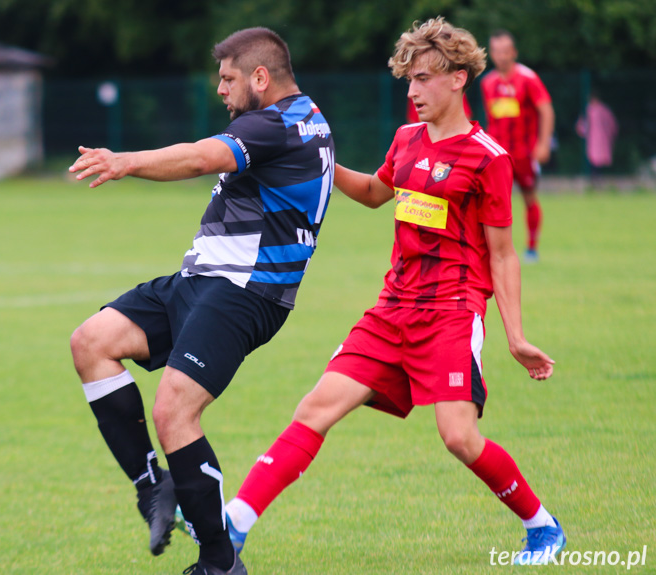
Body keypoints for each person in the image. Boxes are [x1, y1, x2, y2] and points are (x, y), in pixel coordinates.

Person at [221, 17, 567, 568]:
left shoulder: (488, 158)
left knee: (458, 437)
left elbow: (503, 254)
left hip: (452, 310)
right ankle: (234, 524)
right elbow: (376, 192)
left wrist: (516, 336)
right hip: (392, 309)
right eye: (408, 79)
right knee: (315, 408)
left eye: (424, 78)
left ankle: (542, 527)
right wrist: (311, 159)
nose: (412, 91)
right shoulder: (406, 140)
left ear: (457, 79)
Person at [68, 27, 335, 575]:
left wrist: (124, 162)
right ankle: (152, 489)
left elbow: (197, 158)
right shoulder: (304, 119)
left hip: (245, 290)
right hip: (202, 278)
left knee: (174, 411)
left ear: (261, 77)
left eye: (228, 78)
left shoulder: (275, 123)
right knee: (91, 342)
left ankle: (219, 563)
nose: (221, 89)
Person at [480, 29, 554, 262]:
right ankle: (491, 249)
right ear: (491, 53)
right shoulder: (487, 82)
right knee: (491, 201)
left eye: (505, 51)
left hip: (524, 153)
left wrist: (543, 144)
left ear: (513, 52)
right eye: (496, 51)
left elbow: (546, 110)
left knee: (529, 196)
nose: (501, 56)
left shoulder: (528, 78)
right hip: (497, 156)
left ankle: (532, 248)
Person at [576, 91, 618, 184]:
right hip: (603, 139)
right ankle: (598, 179)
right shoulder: (605, 110)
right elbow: (613, 126)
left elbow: (581, 127)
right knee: (599, 160)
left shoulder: (588, 110)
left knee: (593, 159)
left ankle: (594, 180)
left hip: (592, 139)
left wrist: (583, 132)